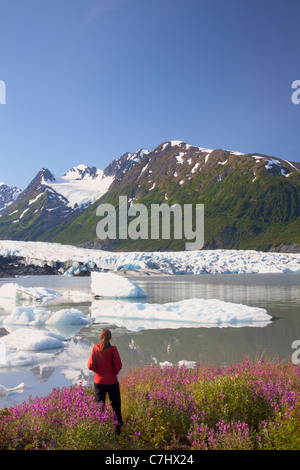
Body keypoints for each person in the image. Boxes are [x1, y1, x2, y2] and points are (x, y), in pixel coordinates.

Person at [87, 328, 123, 434]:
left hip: (99, 382)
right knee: (116, 404)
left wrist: (98, 372)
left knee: (99, 405)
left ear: (100, 337)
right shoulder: (113, 350)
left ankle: (100, 428)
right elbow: (118, 365)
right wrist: (114, 373)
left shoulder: (95, 349)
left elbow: (90, 365)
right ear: (110, 337)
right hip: (112, 381)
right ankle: (117, 428)